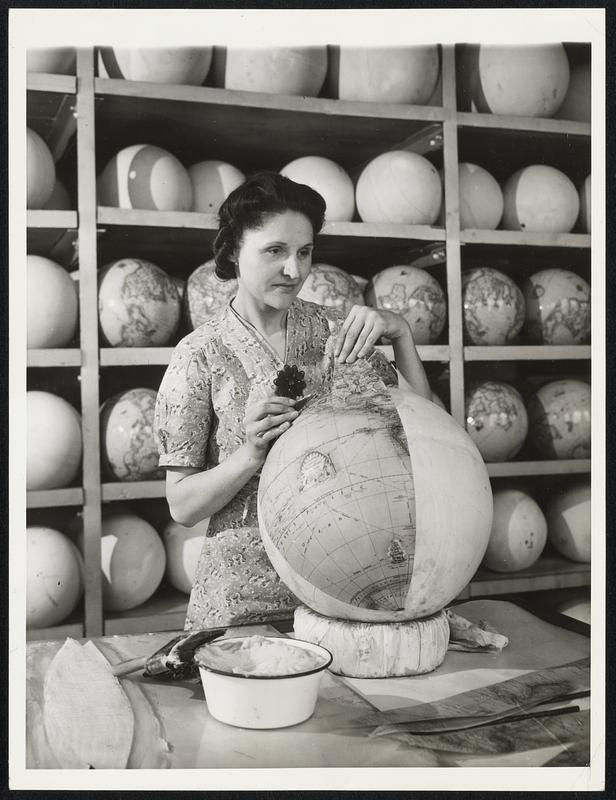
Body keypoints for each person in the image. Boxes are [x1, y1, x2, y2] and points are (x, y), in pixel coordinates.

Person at [154, 171, 431, 630]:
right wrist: (250, 454)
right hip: (242, 602)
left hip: (343, 587)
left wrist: (400, 333)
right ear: (234, 253)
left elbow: (425, 438)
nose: (294, 270)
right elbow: (181, 506)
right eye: (275, 251)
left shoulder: (337, 333)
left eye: (304, 252)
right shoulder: (199, 355)